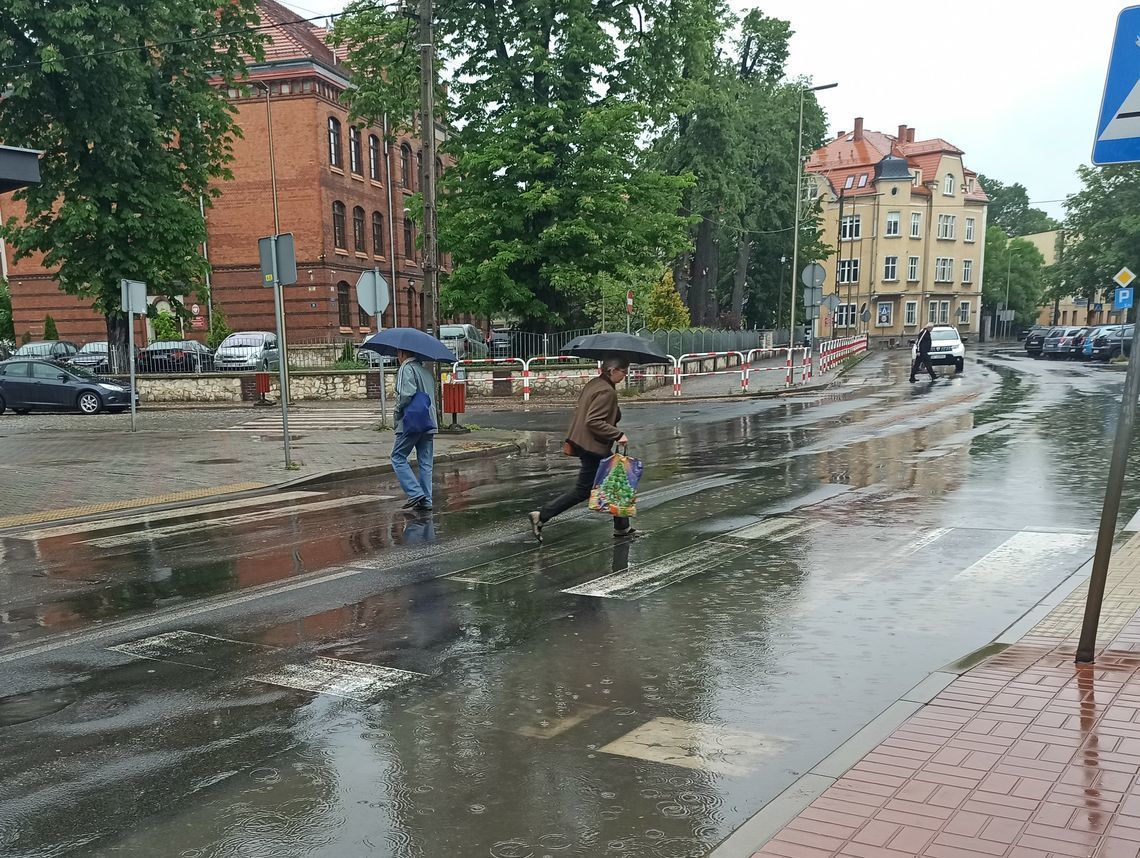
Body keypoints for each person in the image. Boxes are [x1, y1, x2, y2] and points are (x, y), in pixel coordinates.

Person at [528, 357, 633, 542]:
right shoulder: (606, 390)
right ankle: (541, 515)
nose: (625, 376)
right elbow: (593, 421)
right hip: (593, 446)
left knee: (616, 482)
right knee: (590, 489)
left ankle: (622, 528)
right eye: (624, 372)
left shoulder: (595, 383)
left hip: (586, 443)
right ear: (612, 370)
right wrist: (618, 435)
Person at [391, 349, 437, 511]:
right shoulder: (426, 371)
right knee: (425, 462)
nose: (397, 357)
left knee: (397, 457)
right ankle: (426, 500)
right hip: (428, 422)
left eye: (398, 354)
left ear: (403, 354)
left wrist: (397, 412)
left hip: (412, 422)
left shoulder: (406, 368)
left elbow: (406, 395)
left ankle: (416, 493)